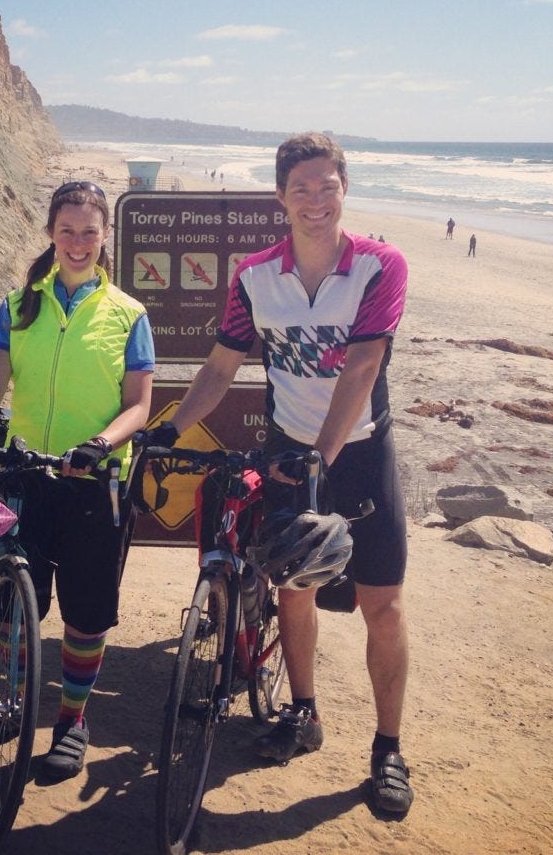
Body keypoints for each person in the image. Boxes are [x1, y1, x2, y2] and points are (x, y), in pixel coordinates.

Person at [147, 132, 414, 815]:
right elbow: (220, 366)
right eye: (301, 188)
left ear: (345, 188)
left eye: (328, 186)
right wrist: (168, 430)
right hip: (292, 454)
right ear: (280, 197)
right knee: (293, 592)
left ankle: (388, 750)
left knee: (380, 607)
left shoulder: (381, 266)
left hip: (358, 454)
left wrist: (321, 459)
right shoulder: (253, 276)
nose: (315, 199)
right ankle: (303, 712)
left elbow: (363, 368)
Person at [0, 180, 155, 780]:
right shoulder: (19, 306)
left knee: (85, 616)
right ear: (50, 234)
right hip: (25, 475)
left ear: (104, 237)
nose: (78, 243)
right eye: (67, 230)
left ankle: (70, 721)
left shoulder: (128, 314)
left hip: (95, 483)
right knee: (16, 607)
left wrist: (100, 444)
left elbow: (140, 405)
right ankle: (8, 704)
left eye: (90, 232)